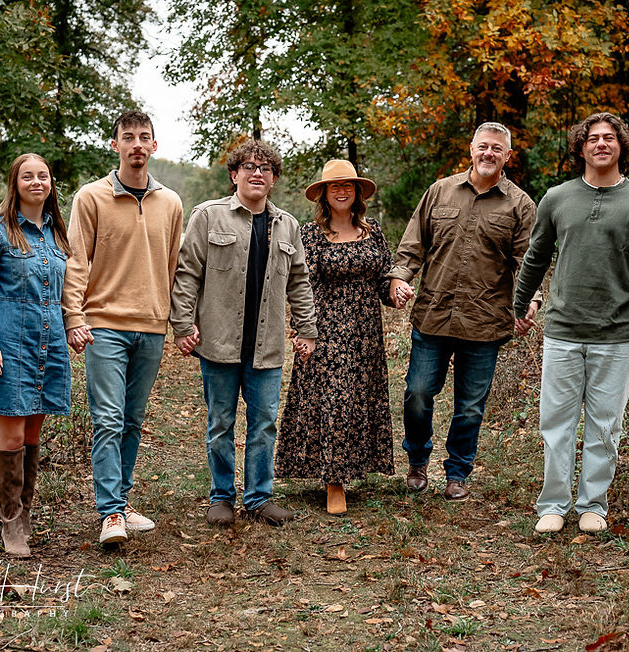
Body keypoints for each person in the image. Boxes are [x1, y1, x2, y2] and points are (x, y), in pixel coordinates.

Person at [513, 112, 629, 535]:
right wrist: (518, 305)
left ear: (621, 146)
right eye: (593, 138)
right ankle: (553, 504)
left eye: (609, 138)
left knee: (605, 425)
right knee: (556, 422)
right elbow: (535, 256)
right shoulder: (557, 197)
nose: (601, 144)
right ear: (580, 147)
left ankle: (592, 505)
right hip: (563, 330)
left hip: (617, 335)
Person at [388, 122, 541, 502]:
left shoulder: (520, 204)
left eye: (497, 149)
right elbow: (413, 246)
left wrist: (531, 302)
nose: (488, 154)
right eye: (482, 147)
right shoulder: (440, 191)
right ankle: (418, 462)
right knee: (418, 394)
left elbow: (529, 262)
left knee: (470, 406)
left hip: (485, 321)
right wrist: (399, 278)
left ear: (507, 156)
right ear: (471, 150)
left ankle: (457, 472)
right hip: (434, 315)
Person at [170, 139, 318, 527]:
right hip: (219, 343)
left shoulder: (287, 225)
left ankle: (258, 498)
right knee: (220, 422)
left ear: (272, 179)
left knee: (264, 423)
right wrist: (183, 325)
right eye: (249, 166)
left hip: (266, 347)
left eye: (266, 168)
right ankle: (221, 497)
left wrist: (308, 328)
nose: (257, 172)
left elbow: (299, 282)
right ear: (234, 174)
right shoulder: (208, 216)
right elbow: (187, 273)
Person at [62, 110, 184, 545]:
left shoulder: (170, 202)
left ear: (154, 146)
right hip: (104, 325)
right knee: (109, 419)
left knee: (132, 420)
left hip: (150, 327)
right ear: (114, 145)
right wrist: (74, 316)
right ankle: (110, 512)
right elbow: (77, 261)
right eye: (127, 137)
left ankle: (123, 500)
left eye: (144, 137)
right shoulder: (90, 198)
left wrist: (174, 319)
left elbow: (174, 266)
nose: (136, 144)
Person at [0, 153, 72, 558]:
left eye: (42, 175)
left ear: (51, 183)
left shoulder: (55, 234)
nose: (36, 182)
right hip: (8, 346)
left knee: (32, 434)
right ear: (15, 183)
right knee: (10, 435)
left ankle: (25, 514)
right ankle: (10, 523)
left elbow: (64, 293)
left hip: (48, 345)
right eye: (27, 176)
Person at [275, 160, 396, 516]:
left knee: (358, 398)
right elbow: (300, 286)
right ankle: (333, 480)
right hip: (325, 330)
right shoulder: (310, 235)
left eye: (348, 185)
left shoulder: (372, 230)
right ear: (324, 194)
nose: (342, 190)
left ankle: (353, 467)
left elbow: (383, 280)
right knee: (333, 402)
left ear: (357, 192)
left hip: (365, 332)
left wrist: (396, 292)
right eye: (334, 186)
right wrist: (303, 330)